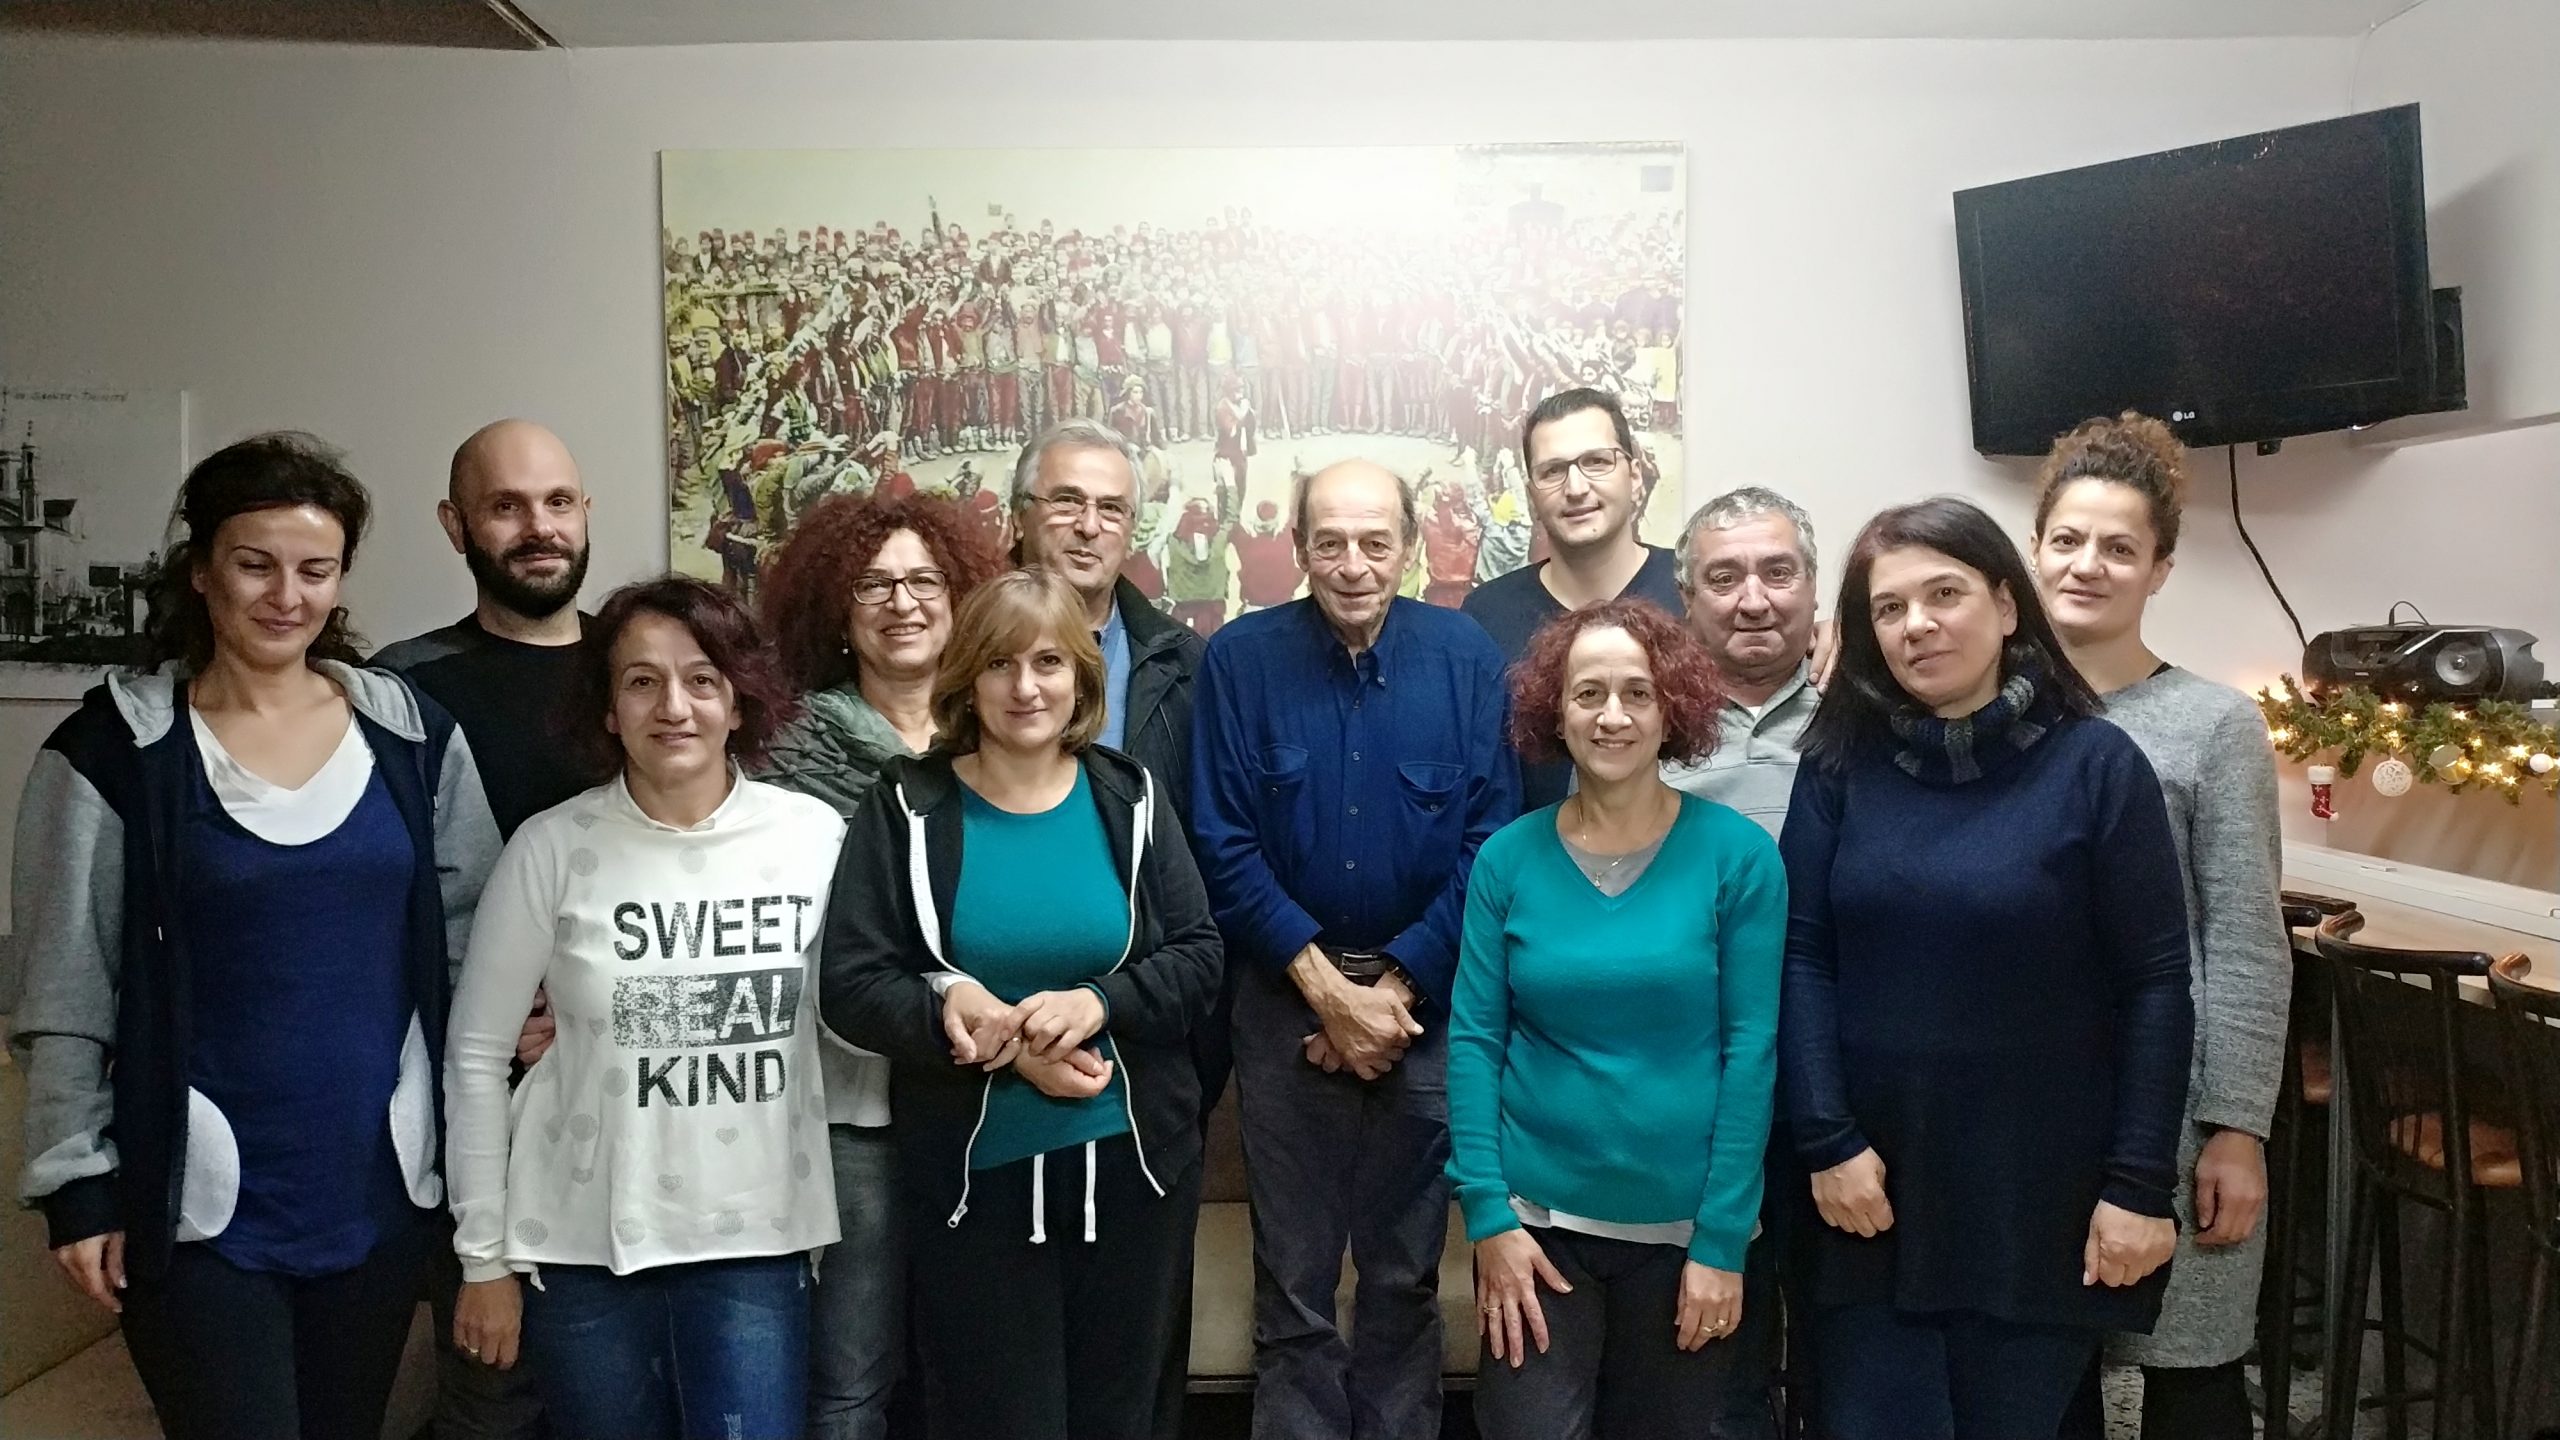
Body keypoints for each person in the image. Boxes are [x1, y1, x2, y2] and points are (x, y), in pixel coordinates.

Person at [11, 433, 499, 1440]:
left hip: (379, 1191)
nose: (286, 595)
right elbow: (64, 986)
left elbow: (474, 939)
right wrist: (76, 1184)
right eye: (254, 564)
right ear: (200, 571)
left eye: (315, 570)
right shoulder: (113, 752)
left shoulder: (411, 735)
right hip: (195, 1207)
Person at [1778, 497, 2194, 1440]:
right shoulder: (1837, 766)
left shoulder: (2098, 765)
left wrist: (2139, 1185)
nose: (1918, 624)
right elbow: (1802, 959)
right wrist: (1827, 1141)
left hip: (2038, 1198)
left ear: (2007, 606)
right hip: (1868, 1194)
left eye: (1945, 594)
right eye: (1890, 608)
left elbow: (2156, 987)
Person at [819, 568, 1224, 1440]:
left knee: (1124, 1421)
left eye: (1049, 662)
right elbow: (852, 984)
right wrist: (973, 1024)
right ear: (967, 677)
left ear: (1081, 676)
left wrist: (1099, 1003)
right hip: (975, 1191)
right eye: (1000, 663)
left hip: (1136, 1177)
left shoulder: (1130, 798)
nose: (1025, 687)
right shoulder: (906, 806)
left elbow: (1199, 958)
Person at [443, 577, 845, 1440]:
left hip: (756, 1242)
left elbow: (868, 1004)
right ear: (607, 708)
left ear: (738, 700)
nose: (674, 707)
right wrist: (483, 1258)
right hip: (579, 1245)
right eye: (641, 681)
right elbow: (474, 1057)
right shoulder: (552, 847)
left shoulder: (814, 839)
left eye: (702, 679)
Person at [1190, 459, 1522, 1440]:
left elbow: (1490, 841)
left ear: (1409, 546)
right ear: (1298, 548)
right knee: (1291, 1283)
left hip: (1425, 1011)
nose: (1353, 564)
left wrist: (1393, 991)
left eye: (1376, 541)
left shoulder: (1465, 658)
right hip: (1280, 1002)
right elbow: (1219, 838)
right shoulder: (1239, 660)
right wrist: (1329, 993)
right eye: (1329, 542)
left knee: (1403, 1277)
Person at [1448, 599, 1787, 1440]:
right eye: (1588, 693)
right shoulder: (1506, 860)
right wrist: (1489, 1218)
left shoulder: (1739, 857)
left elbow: (1751, 1051)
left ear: (1672, 709)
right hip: (1536, 1235)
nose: (1612, 715)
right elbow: (1476, 1043)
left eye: (1638, 693)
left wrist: (1722, 1241)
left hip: (1684, 1240)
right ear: (1554, 710)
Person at [2030, 415, 2289, 1440]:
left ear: (2160, 569)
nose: (2087, 565)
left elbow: (2245, 937)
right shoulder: (1994, 715)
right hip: (2036, 1106)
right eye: (2067, 540)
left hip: (2175, 1112)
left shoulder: (2215, 725)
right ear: (2034, 550)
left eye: (2118, 547)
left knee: (2191, 1372)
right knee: (2047, 1376)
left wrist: (2237, 1128)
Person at [754, 493, 1003, 1439]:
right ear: (836, 608)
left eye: (924, 580)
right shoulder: (780, 750)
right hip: (851, 1103)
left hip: (986, 1093)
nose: (903, 602)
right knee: (851, 1373)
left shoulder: (1000, 738)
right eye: (873, 584)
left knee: (976, 1367)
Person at [375, 417, 594, 1440]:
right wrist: (491, 1012)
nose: (537, 527)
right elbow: (377, 900)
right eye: (505, 507)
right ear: (454, 525)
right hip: (477, 1100)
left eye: (557, 502)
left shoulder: (645, 668)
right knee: (494, 1390)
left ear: (585, 512)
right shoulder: (400, 691)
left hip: (632, 1093)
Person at [1661, 485, 1825, 1437]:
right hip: (1699, 1082)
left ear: (1814, 589)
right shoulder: (1644, 723)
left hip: (1840, 1080)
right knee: (1714, 1355)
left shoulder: (1872, 715)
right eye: (1724, 578)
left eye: (1778, 572)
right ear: (1688, 598)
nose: (1754, 599)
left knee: (1847, 1347)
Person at [1463, 388, 1682, 810]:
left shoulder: (1696, 592)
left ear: (1635, 475)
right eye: (1553, 471)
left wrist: (1818, 640)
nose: (1576, 488)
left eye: (1597, 462)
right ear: (1532, 494)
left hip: (1683, 847)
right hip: (1529, 849)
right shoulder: (1485, 615)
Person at [1006, 418, 1204, 819]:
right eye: (1066, 500)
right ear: (1018, 517)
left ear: (1131, 531)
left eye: (1112, 508)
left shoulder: (1185, 663)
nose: (1089, 526)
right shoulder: (960, 647)